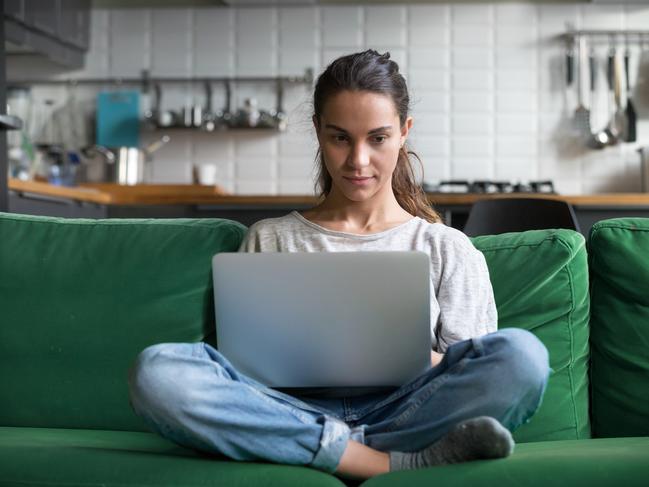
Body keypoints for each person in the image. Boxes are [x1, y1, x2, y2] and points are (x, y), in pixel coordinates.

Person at [128, 50, 550, 480]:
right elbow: (245, 370)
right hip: (291, 410)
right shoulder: (270, 238)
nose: (358, 161)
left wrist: (409, 356)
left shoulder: (446, 247)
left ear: (404, 133)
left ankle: (314, 450)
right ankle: (378, 461)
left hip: (406, 411)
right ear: (318, 131)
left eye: (378, 138)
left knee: (523, 357)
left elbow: (470, 368)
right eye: (341, 137)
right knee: (158, 372)